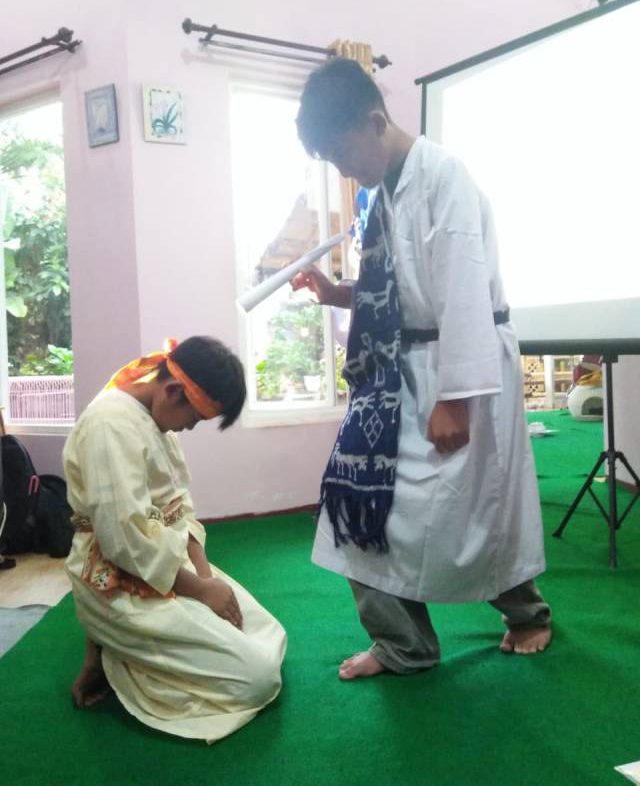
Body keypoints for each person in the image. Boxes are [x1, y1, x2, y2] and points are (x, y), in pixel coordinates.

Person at [292, 58, 551, 681]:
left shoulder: (443, 177)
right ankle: (404, 644)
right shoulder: (381, 192)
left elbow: (462, 290)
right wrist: (339, 294)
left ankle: (527, 615)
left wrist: (454, 397)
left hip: (460, 366)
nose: (341, 169)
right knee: (357, 501)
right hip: (397, 374)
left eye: (340, 151)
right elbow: (402, 289)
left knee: (478, 508)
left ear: (375, 122)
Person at [64, 336, 286, 741]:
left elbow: (179, 509)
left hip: (167, 567)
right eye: (195, 418)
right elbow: (122, 542)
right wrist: (200, 591)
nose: (189, 427)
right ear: (172, 391)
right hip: (115, 581)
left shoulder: (156, 418)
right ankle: (118, 658)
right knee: (259, 679)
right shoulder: (109, 425)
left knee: (269, 633)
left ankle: (129, 651)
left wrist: (207, 582)